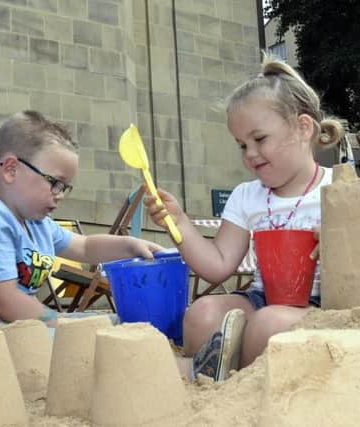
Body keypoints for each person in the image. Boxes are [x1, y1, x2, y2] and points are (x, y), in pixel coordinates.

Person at [145, 54, 344, 381]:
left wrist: (338, 239)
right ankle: (206, 379)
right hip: (263, 297)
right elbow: (218, 264)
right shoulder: (246, 195)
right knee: (201, 313)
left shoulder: (338, 187)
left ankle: (237, 383)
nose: (250, 154)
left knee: (267, 325)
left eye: (260, 139)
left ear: (303, 128)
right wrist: (179, 223)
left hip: (323, 304)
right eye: (241, 145)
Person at [0, 111, 162, 329]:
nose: (59, 195)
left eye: (64, 187)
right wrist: (59, 321)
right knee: (85, 339)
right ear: (11, 170)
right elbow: (4, 301)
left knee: (116, 324)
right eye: (54, 183)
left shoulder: (38, 223)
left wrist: (129, 246)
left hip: (8, 326)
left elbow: (85, 247)